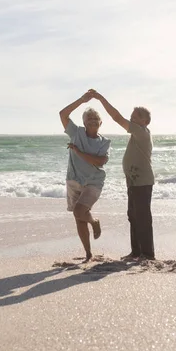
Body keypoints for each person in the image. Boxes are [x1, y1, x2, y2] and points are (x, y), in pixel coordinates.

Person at [88, 89, 155, 260]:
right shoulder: (137, 133)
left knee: (142, 218)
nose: (131, 119)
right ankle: (136, 252)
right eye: (131, 116)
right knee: (133, 216)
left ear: (144, 121)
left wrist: (101, 98)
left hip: (142, 182)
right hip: (134, 181)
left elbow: (117, 118)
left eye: (134, 117)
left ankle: (147, 254)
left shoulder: (141, 132)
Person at [59, 91, 111, 261]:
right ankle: (88, 253)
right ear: (84, 122)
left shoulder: (104, 142)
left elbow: (99, 162)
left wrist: (78, 151)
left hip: (94, 183)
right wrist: (82, 100)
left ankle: (94, 222)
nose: (93, 121)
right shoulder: (76, 133)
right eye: (89, 119)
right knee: (78, 217)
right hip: (74, 180)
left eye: (96, 119)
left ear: (101, 123)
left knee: (80, 211)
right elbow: (63, 114)